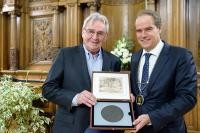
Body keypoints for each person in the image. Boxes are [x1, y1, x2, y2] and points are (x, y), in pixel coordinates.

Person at [42, 12, 123, 133]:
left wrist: (124, 96)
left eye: (100, 33)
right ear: (83, 32)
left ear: (106, 36)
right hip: (69, 127)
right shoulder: (65, 55)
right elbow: (48, 89)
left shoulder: (114, 61)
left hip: (103, 127)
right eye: (91, 31)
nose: (95, 37)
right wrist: (76, 97)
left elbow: (114, 95)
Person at [130, 10, 197, 133]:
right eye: (139, 31)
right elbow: (137, 92)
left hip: (169, 129)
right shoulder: (135, 58)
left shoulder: (181, 56)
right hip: (139, 129)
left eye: (148, 29)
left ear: (159, 28)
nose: (143, 35)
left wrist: (152, 117)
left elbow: (187, 98)